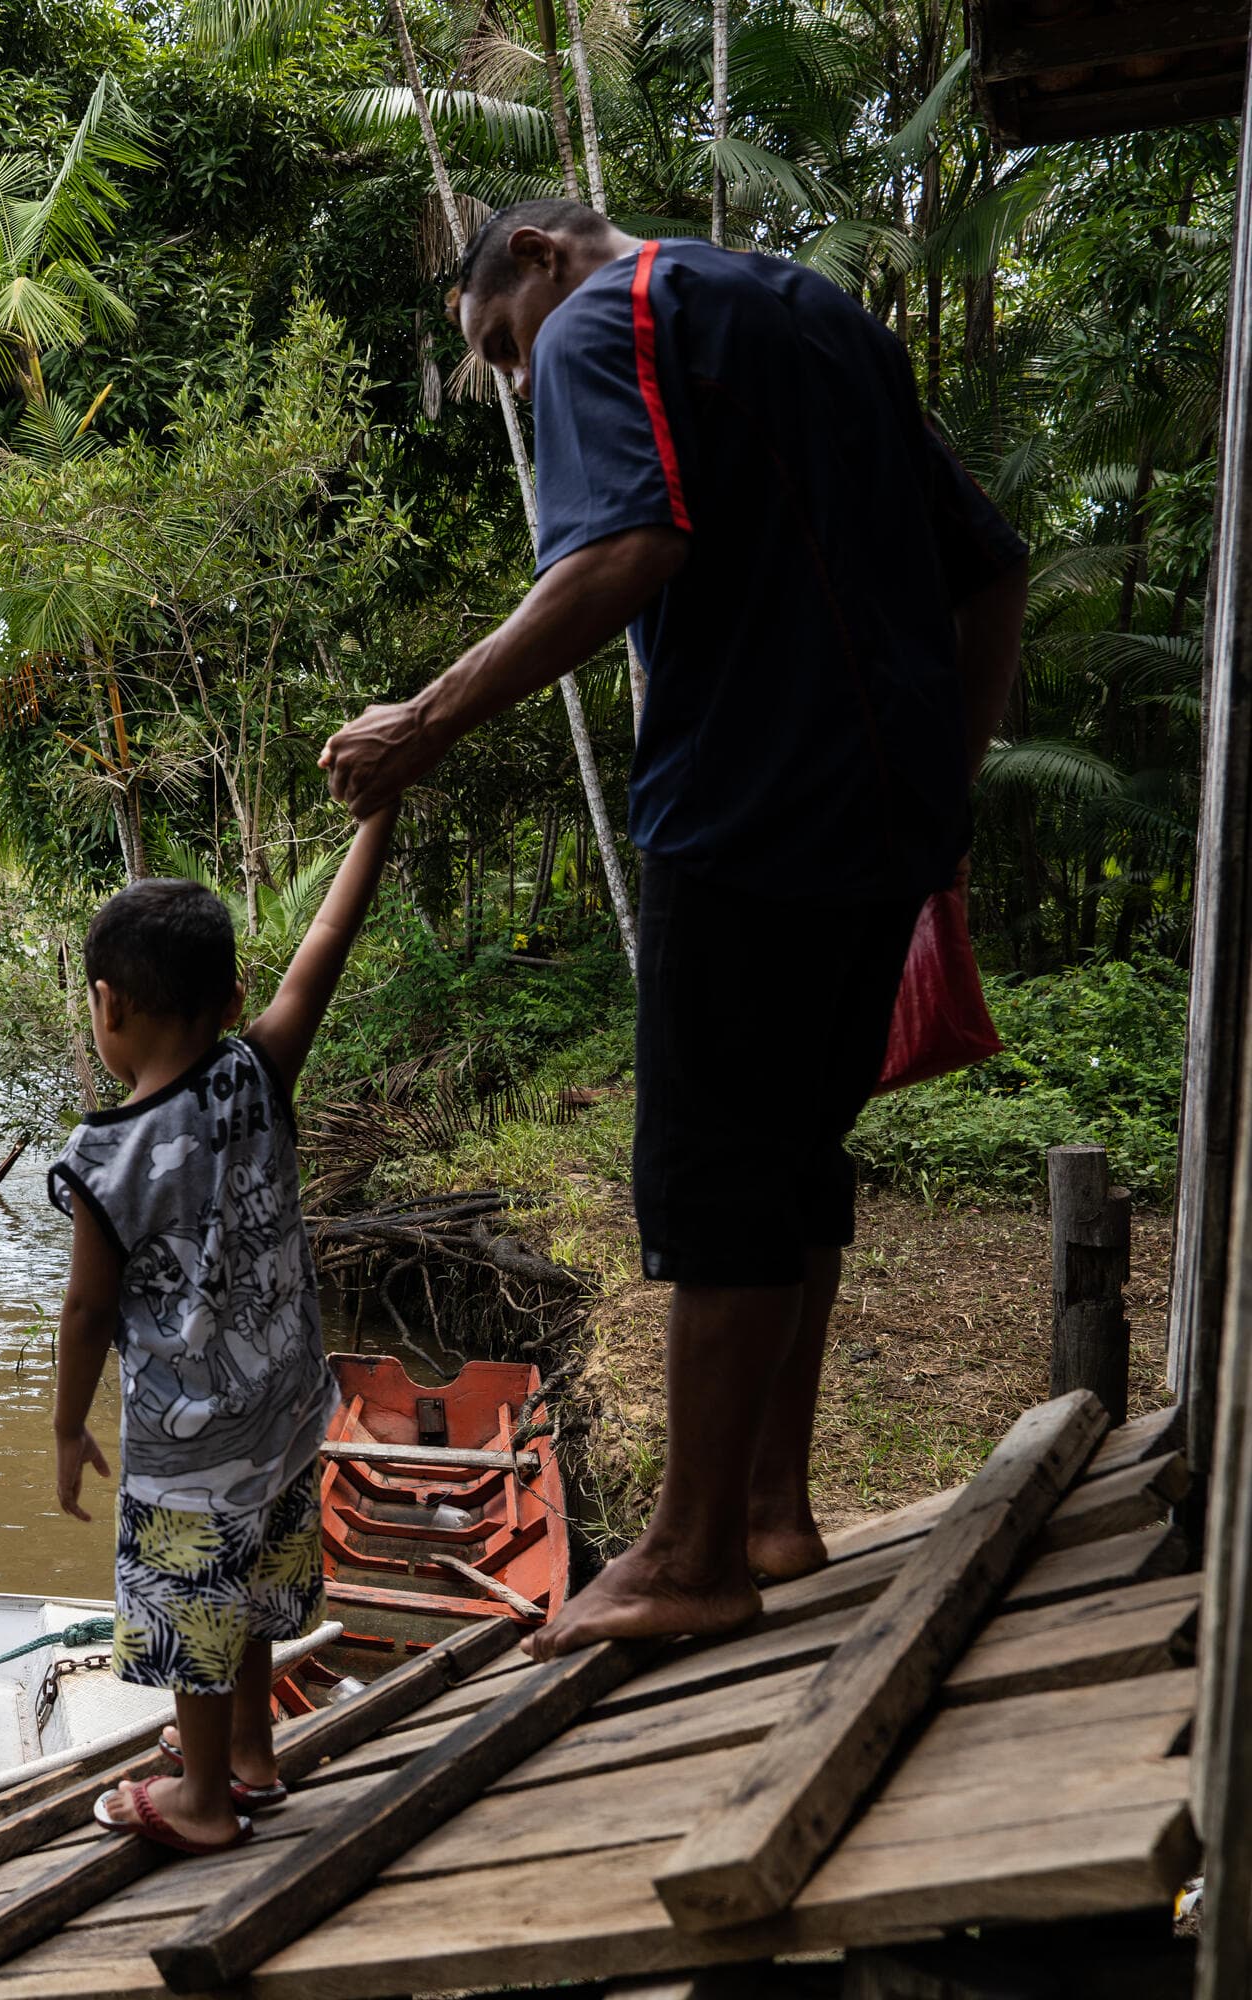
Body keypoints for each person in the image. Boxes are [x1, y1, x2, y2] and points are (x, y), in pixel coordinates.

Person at [318, 200, 1029, 1661]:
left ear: (535, 260)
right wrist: (942, 789)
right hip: (881, 816)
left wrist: (423, 724)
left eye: (502, 350)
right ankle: (771, 1511)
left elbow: (624, 550)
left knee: (709, 1164)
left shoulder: (602, 315)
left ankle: (697, 1550)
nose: (522, 381)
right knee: (790, 1154)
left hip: (746, 803)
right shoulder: (822, 313)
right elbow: (994, 562)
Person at [47, 810, 398, 1855]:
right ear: (232, 999)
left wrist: (67, 1426)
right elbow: (324, 948)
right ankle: (251, 1753)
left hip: (191, 1435)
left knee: (191, 1602)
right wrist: (374, 822)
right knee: (245, 1584)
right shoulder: (256, 1070)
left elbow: (87, 1311)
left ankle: (202, 1796)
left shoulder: (103, 1159)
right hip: (287, 1410)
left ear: (107, 1006)